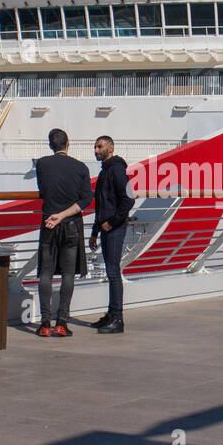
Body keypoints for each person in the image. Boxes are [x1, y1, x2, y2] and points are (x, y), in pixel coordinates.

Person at [35, 128, 92, 337]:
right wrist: (64, 214)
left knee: (46, 273)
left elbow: (43, 189)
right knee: (68, 274)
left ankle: (44, 324)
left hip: (48, 222)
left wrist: (55, 215)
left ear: (51, 145)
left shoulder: (41, 164)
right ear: (68, 143)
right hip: (70, 225)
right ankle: (61, 322)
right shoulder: (80, 167)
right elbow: (86, 199)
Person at [88, 135, 133, 334]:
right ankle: (111, 314)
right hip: (107, 228)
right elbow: (100, 205)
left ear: (111, 147)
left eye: (100, 147)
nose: (96, 150)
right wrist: (95, 232)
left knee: (113, 273)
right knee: (110, 271)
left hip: (115, 228)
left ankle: (117, 319)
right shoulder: (106, 171)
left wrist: (112, 222)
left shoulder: (117, 170)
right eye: (95, 147)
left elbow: (128, 199)